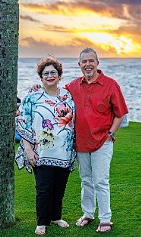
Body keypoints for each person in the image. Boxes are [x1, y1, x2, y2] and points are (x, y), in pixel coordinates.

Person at [30, 48, 129, 233]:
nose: (88, 64)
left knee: (100, 181)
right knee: (86, 181)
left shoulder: (110, 85)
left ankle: (105, 219)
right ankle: (88, 214)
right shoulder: (72, 87)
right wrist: (38, 88)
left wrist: (110, 134)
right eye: (84, 61)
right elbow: (54, 92)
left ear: (97, 63)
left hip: (102, 142)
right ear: (79, 65)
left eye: (91, 61)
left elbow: (120, 113)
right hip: (81, 143)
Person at [15, 56, 76, 235]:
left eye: (53, 73)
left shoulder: (68, 95)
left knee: (59, 187)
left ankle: (56, 217)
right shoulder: (32, 97)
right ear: (41, 77)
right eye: (46, 73)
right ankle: (42, 222)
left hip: (64, 151)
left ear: (59, 75)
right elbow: (22, 122)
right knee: (44, 188)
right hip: (41, 151)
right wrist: (28, 150)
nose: (50, 76)